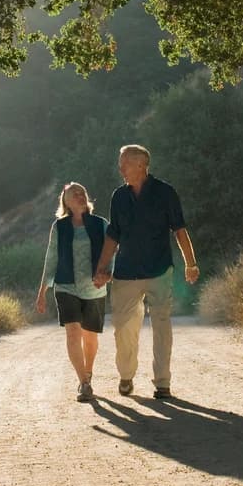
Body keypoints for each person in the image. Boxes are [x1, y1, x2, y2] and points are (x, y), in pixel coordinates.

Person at [92, 144, 198, 399]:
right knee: (123, 328)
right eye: (120, 163)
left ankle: (162, 382)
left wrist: (191, 263)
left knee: (161, 325)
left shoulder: (165, 193)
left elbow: (179, 230)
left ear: (141, 165)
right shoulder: (118, 196)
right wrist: (101, 268)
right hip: (126, 273)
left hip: (159, 270)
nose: (120, 168)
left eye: (125, 163)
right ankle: (126, 375)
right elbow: (113, 235)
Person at [36, 182, 109, 402]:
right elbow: (51, 259)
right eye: (73, 193)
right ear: (65, 201)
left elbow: (111, 252)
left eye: (81, 192)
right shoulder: (60, 227)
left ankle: (88, 372)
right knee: (73, 333)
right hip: (66, 286)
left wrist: (108, 274)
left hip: (94, 289)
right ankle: (83, 383)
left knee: (90, 338)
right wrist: (42, 292)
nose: (78, 195)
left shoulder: (101, 224)